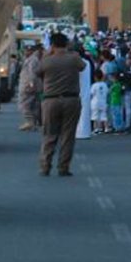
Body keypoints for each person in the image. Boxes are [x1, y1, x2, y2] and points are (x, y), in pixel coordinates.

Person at [37, 33, 85, 177]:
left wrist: (48, 54)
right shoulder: (74, 58)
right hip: (71, 100)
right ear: (67, 43)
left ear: (51, 45)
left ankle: (45, 166)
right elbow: (83, 66)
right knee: (68, 135)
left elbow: (37, 72)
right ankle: (63, 167)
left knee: (49, 134)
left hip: (50, 100)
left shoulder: (46, 60)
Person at [16, 45, 42, 131]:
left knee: (24, 104)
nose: (26, 52)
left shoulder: (33, 60)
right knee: (33, 105)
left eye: (28, 50)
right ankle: (33, 123)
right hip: (30, 84)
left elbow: (32, 73)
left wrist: (31, 84)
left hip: (28, 85)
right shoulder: (32, 59)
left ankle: (29, 122)